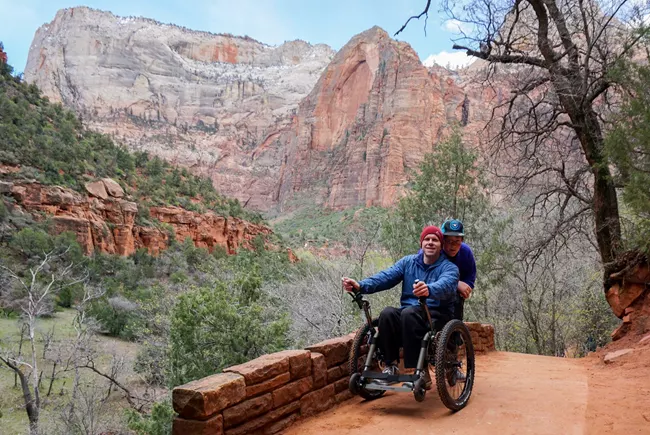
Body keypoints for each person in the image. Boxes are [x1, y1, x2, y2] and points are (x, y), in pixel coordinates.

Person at [342, 225, 459, 388]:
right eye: (427, 239)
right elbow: (386, 277)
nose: (430, 243)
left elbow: (447, 284)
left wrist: (429, 289)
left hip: (434, 314)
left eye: (435, 240)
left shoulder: (449, 267)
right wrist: (361, 285)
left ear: (441, 245)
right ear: (421, 243)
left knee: (408, 314)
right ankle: (390, 366)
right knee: (387, 313)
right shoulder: (408, 262)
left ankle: (420, 371)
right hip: (409, 312)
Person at [440, 219, 476, 321]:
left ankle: (455, 332)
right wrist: (455, 284)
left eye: (457, 241)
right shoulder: (434, 251)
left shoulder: (466, 252)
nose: (453, 246)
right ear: (442, 240)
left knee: (456, 299)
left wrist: (467, 288)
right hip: (432, 292)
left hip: (455, 297)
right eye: (449, 241)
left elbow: (470, 274)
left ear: (462, 241)